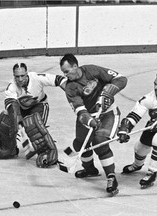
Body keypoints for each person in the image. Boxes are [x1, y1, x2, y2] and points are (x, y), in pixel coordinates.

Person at [59, 53, 127, 196]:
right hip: (89, 116)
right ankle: (90, 169)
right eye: (63, 73)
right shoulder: (70, 87)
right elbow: (80, 110)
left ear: (75, 66)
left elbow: (121, 79)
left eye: (67, 71)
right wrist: (89, 121)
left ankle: (111, 177)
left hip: (108, 113)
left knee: (100, 142)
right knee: (79, 144)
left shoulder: (92, 70)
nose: (65, 75)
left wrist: (108, 92)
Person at [0, 62, 67, 168]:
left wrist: (70, 91)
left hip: (39, 105)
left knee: (33, 125)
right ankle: (8, 148)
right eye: (17, 76)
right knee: (6, 122)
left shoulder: (36, 78)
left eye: (22, 75)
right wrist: (16, 120)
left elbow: (59, 79)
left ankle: (47, 152)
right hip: (20, 109)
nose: (20, 79)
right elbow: (11, 106)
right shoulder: (11, 87)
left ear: (27, 73)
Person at [118, 73, 157, 188]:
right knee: (140, 147)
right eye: (155, 84)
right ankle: (137, 165)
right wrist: (125, 128)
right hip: (156, 124)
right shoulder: (149, 98)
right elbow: (134, 115)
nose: (155, 87)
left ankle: (152, 173)